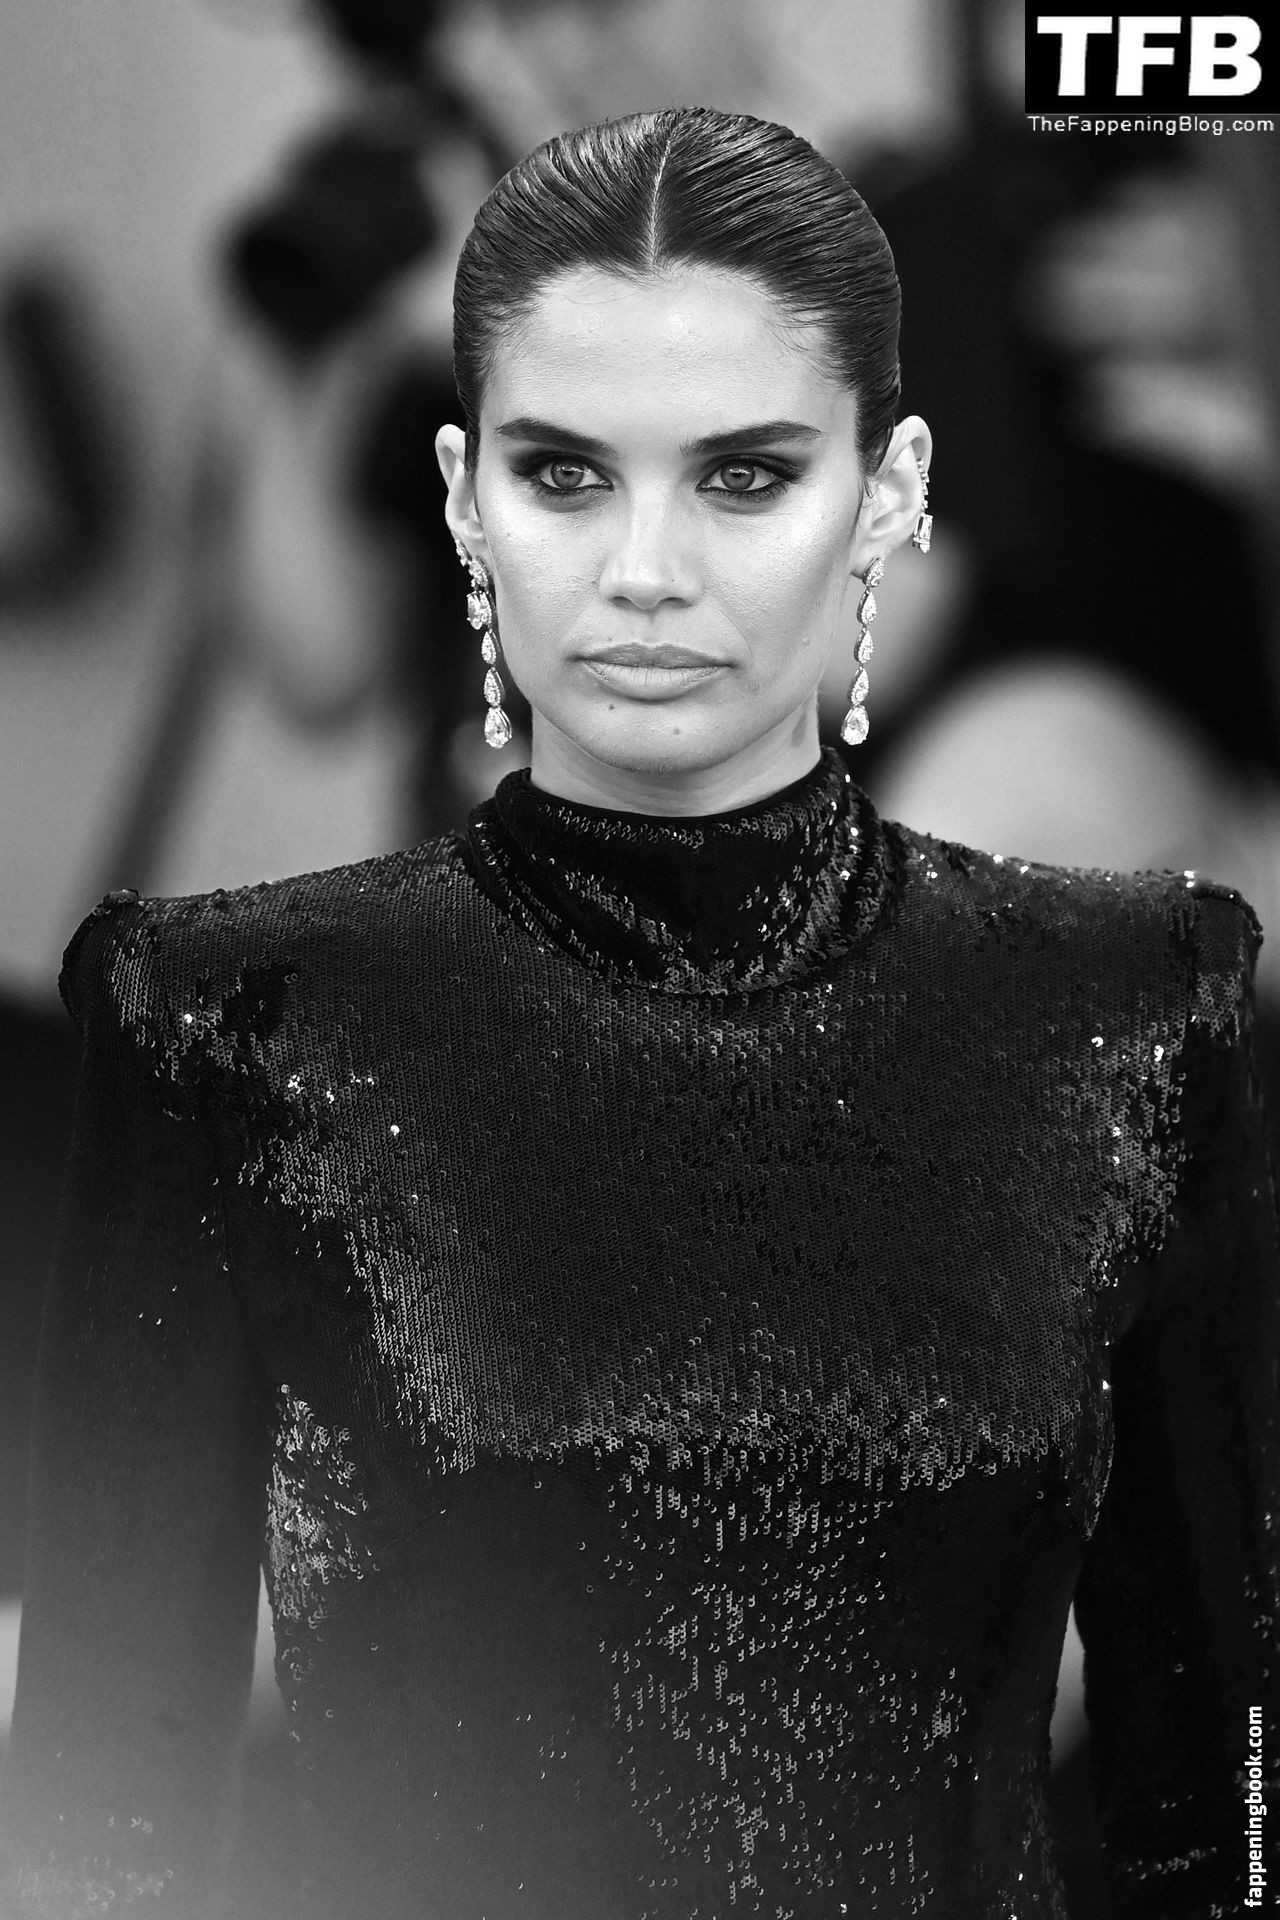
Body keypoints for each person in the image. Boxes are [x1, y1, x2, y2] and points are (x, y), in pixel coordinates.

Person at [1, 105, 1277, 1920]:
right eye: (566, 476)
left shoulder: (1132, 1007)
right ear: (468, 500)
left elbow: (1218, 1788)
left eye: (745, 476)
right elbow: (94, 1810)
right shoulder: (220, 1022)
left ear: (888, 496)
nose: (648, 571)